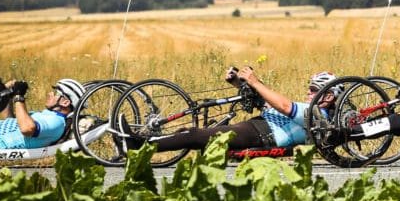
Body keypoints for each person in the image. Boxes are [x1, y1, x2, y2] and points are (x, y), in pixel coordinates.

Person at [118, 67, 339, 153]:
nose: (309, 92)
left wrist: (254, 81)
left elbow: (282, 105)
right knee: (188, 133)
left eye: (313, 89)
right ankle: (140, 143)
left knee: (194, 135)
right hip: (256, 127)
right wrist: (239, 82)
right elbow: (266, 103)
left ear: (328, 96)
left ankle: (137, 147)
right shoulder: (308, 110)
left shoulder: (316, 115)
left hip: (261, 135)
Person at [0, 78, 85, 151]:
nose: (50, 94)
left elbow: (27, 129)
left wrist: (19, 96)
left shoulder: (56, 123)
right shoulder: (47, 115)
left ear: (66, 102)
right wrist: (7, 95)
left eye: (55, 92)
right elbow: (11, 123)